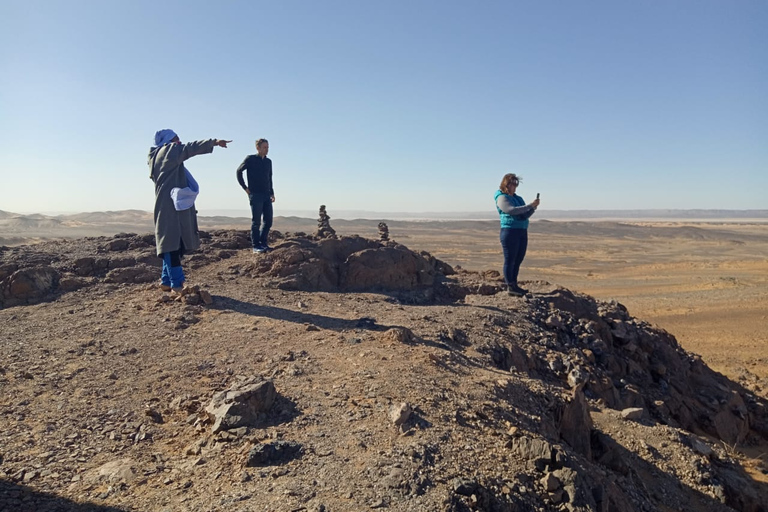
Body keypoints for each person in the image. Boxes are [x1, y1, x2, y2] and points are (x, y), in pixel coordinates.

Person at [148, 129, 231, 292]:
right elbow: (189, 148)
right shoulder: (168, 151)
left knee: (168, 241)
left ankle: (166, 280)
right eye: (176, 139)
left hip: (165, 203)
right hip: (172, 206)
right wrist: (213, 142)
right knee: (173, 244)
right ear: (168, 140)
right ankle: (177, 285)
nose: (179, 142)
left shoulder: (155, 156)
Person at [494, 173, 540, 296]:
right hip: (510, 231)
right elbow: (511, 210)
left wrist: (533, 208)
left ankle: (514, 285)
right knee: (510, 259)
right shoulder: (502, 197)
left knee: (518, 259)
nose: (514, 186)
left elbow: (524, 214)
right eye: (511, 183)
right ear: (505, 184)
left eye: (515, 184)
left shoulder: (518, 198)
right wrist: (530, 205)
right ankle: (510, 286)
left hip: (521, 231)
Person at [236, 138, 275, 253]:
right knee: (256, 221)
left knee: (268, 221)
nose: (267, 149)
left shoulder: (268, 162)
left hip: (266, 194)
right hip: (255, 194)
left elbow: (269, 178)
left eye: (267, 147)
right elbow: (238, 171)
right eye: (264, 147)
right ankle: (256, 246)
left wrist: (272, 192)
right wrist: (245, 188)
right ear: (257, 148)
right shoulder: (250, 159)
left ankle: (263, 243)